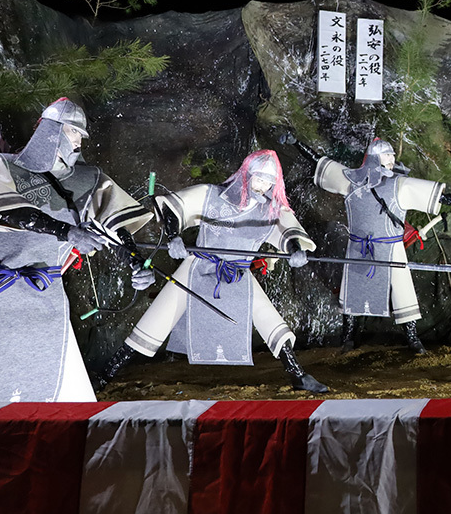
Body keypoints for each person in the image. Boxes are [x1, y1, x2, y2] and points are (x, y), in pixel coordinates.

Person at [0, 98, 152, 402]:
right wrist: (66, 231)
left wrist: (134, 260)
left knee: (63, 400)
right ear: (52, 131)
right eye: (72, 132)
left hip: (47, 296)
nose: (78, 142)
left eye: (80, 135)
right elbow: (1, 211)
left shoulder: (88, 180)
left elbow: (115, 223)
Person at [96, 149, 329, 393]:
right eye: (259, 179)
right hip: (198, 267)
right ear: (247, 175)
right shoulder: (212, 195)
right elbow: (175, 208)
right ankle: (107, 373)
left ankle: (298, 374)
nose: (263, 186)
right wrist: (175, 237)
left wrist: (295, 250)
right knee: (157, 318)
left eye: (269, 182)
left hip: (238, 273)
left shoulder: (271, 210)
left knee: (268, 318)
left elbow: (289, 232)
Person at [313, 138, 451, 354]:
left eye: (392, 154)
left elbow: (433, 195)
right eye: (387, 154)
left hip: (391, 248)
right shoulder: (352, 181)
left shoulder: (398, 184)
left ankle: (412, 339)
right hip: (359, 248)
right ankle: (347, 338)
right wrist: (295, 144)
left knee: (403, 293)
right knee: (352, 293)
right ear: (374, 157)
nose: (392, 158)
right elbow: (323, 166)